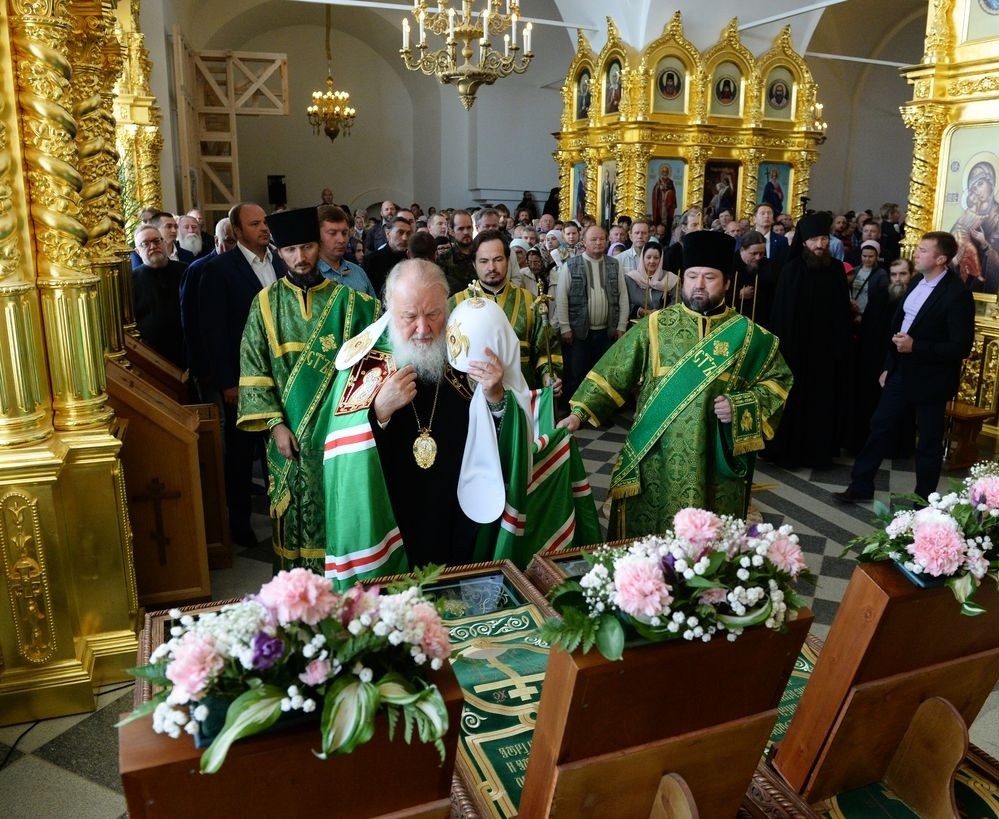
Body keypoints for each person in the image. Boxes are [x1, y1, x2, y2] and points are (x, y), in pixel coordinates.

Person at [558, 230, 792, 538]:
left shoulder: (751, 337)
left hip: (716, 459)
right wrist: (579, 412)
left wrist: (740, 406)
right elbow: (615, 369)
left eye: (709, 277)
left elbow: (778, 381)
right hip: (657, 453)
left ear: (727, 283)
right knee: (649, 540)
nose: (699, 284)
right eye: (692, 276)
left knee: (708, 546)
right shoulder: (656, 325)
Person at [321, 260, 508, 585]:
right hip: (394, 515)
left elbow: (500, 437)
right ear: (389, 310)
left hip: (455, 513)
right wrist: (378, 411)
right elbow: (340, 453)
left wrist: (495, 396)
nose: (423, 329)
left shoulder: (466, 354)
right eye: (409, 317)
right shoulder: (364, 364)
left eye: (433, 314)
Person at [237, 207, 381, 573]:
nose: (300, 257)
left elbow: (375, 367)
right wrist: (275, 426)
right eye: (290, 250)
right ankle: (296, 596)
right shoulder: (265, 305)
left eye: (307, 247)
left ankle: (345, 591)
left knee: (341, 513)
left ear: (319, 246)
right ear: (279, 252)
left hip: (339, 433)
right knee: (292, 522)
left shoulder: (354, 305)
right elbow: (254, 370)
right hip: (287, 436)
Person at [837, 232, 975, 503]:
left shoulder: (957, 294)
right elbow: (900, 326)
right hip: (901, 371)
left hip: (932, 378)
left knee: (928, 442)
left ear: (941, 259)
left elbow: (960, 347)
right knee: (879, 426)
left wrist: (916, 346)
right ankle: (861, 485)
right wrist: (889, 365)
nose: (916, 253)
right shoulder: (915, 282)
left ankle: (924, 501)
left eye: (923, 250)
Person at [199, 202, 288, 548]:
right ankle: (239, 522)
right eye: (254, 224)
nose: (264, 228)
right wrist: (227, 382)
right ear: (236, 231)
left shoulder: (279, 262)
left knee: (277, 448)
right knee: (240, 453)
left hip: (279, 373)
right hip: (242, 378)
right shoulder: (219, 270)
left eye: (265, 222)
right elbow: (214, 331)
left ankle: (283, 515)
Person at [766, 212, 854, 469]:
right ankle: (789, 452)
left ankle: (819, 454)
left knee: (823, 403)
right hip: (796, 351)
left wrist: (840, 345)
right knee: (794, 402)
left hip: (826, 352)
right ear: (804, 242)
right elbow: (782, 316)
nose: (820, 244)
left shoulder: (836, 269)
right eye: (815, 240)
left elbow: (842, 311)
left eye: (824, 239)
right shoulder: (792, 270)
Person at [450, 229, 562, 392]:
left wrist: (548, 375)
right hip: (472, 396)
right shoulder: (457, 305)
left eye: (498, 259)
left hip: (521, 394)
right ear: (474, 264)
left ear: (508, 261)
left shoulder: (530, 302)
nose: (491, 267)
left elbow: (546, 349)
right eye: (484, 261)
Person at [556, 225, 629, 399]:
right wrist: (565, 327)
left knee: (604, 374)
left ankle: (599, 409)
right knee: (577, 373)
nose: (598, 242)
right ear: (584, 242)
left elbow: (623, 296)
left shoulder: (614, 264)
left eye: (602, 239)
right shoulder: (571, 265)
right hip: (579, 332)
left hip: (607, 332)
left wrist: (621, 326)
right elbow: (561, 298)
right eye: (593, 239)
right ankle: (575, 409)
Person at [132, 224, 187, 369]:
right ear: (137, 251)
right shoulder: (130, 281)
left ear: (164, 242)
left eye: (157, 241)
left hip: (188, 351)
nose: (153, 246)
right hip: (151, 358)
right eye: (145, 244)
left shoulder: (186, 271)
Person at [317, 205, 377, 298]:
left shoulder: (358, 272)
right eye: (332, 233)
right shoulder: (310, 276)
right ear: (318, 236)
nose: (341, 240)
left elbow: (374, 306)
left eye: (344, 233)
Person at [624, 241, 676, 320]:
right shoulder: (630, 279)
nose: (652, 261)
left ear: (661, 259)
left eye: (656, 258)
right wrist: (641, 311)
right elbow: (623, 304)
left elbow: (677, 302)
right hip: (636, 325)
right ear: (642, 258)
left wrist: (662, 313)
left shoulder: (670, 279)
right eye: (648, 257)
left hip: (663, 324)